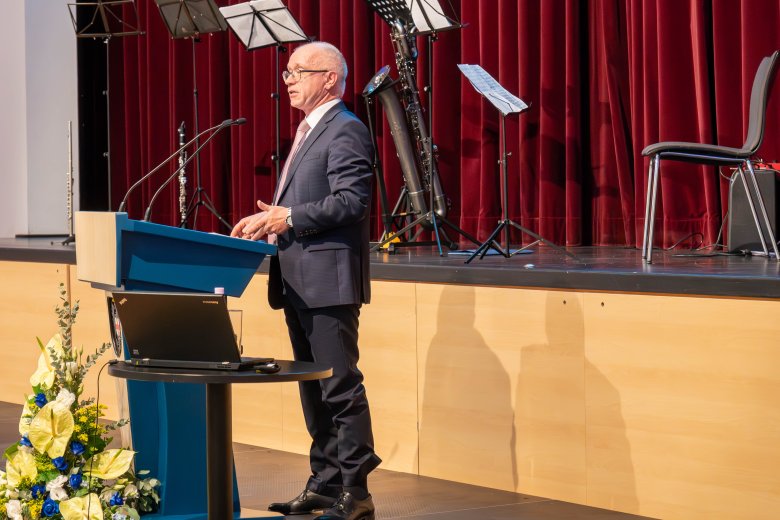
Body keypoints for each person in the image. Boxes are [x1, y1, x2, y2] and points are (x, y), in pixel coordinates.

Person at [230, 41, 380, 520]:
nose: (287, 80)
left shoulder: (346, 130)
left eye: (298, 71)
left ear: (329, 78)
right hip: (297, 278)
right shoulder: (309, 130)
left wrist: (287, 216)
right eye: (287, 72)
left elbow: (352, 202)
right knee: (312, 387)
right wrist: (271, 222)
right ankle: (324, 481)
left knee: (339, 386)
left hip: (328, 280)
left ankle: (356, 492)